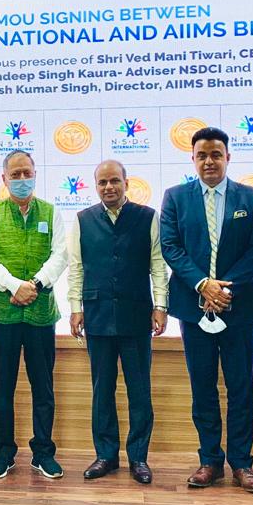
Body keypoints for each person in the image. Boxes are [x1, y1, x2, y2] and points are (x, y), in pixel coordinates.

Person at [160, 127, 253, 494]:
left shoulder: (252, 198)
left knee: (240, 387)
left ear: (228, 157)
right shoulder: (175, 197)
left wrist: (223, 288)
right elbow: (171, 247)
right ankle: (209, 460)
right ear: (193, 159)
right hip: (194, 308)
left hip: (239, 307)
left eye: (216, 154)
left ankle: (241, 463)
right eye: (202, 155)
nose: (209, 161)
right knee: (203, 387)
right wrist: (202, 284)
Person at [69, 159, 168, 485]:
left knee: (139, 390)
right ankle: (105, 455)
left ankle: (138, 457)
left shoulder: (147, 217)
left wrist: (161, 305)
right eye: (103, 182)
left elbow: (157, 265)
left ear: (126, 183)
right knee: (102, 390)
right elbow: (77, 267)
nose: (109, 187)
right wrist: (75, 307)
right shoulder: (83, 219)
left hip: (137, 314)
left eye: (115, 181)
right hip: (97, 315)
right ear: (96, 186)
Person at [0, 149, 67, 480]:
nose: (21, 179)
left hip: (41, 313)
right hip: (3, 313)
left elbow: (61, 255)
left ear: (35, 174)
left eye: (26, 173)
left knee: (43, 387)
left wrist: (36, 284)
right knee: (2, 388)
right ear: (4, 179)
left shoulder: (51, 211)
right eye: (14, 175)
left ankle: (43, 453)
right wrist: (15, 286)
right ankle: (3, 453)